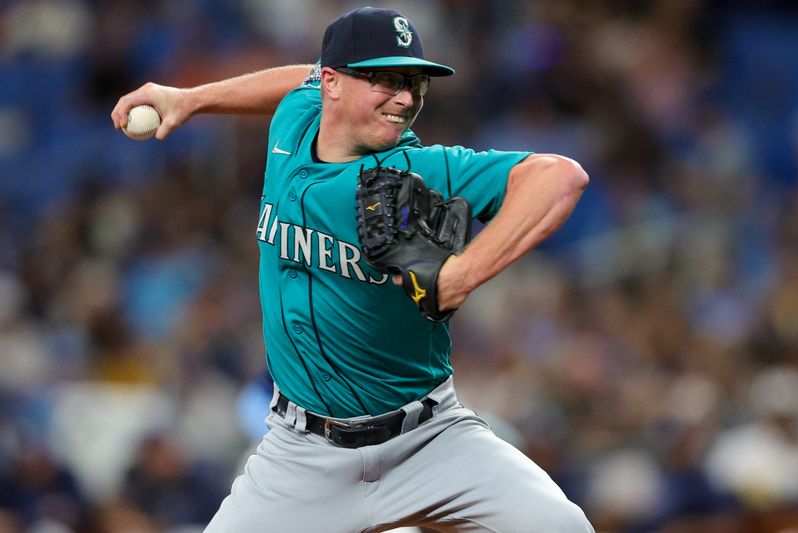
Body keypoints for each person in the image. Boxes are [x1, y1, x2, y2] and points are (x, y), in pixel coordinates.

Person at [112, 7, 593, 532]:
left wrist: (462, 273)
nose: (406, 98)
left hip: (430, 442)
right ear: (332, 83)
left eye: (413, 83)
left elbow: (559, 177)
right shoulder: (297, 120)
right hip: (301, 455)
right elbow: (296, 81)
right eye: (385, 80)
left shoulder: (421, 170)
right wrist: (190, 99)